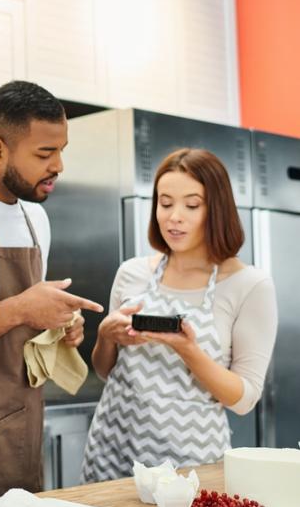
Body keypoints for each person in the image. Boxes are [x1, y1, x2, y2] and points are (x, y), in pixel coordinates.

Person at [0, 81, 104, 506]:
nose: (60, 166)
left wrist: (58, 325)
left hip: (24, 421)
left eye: (61, 150)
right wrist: (21, 308)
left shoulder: (36, 219)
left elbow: (26, 320)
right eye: (44, 154)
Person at [81, 148, 277, 482]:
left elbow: (243, 399)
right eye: (165, 202)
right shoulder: (132, 273)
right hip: (112, 459)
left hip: (192, 468)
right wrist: (105, 336)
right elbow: (105, 372)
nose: (174, 216)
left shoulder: (249, 285)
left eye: (191, 204)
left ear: (216, 209)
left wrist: (187, 349)